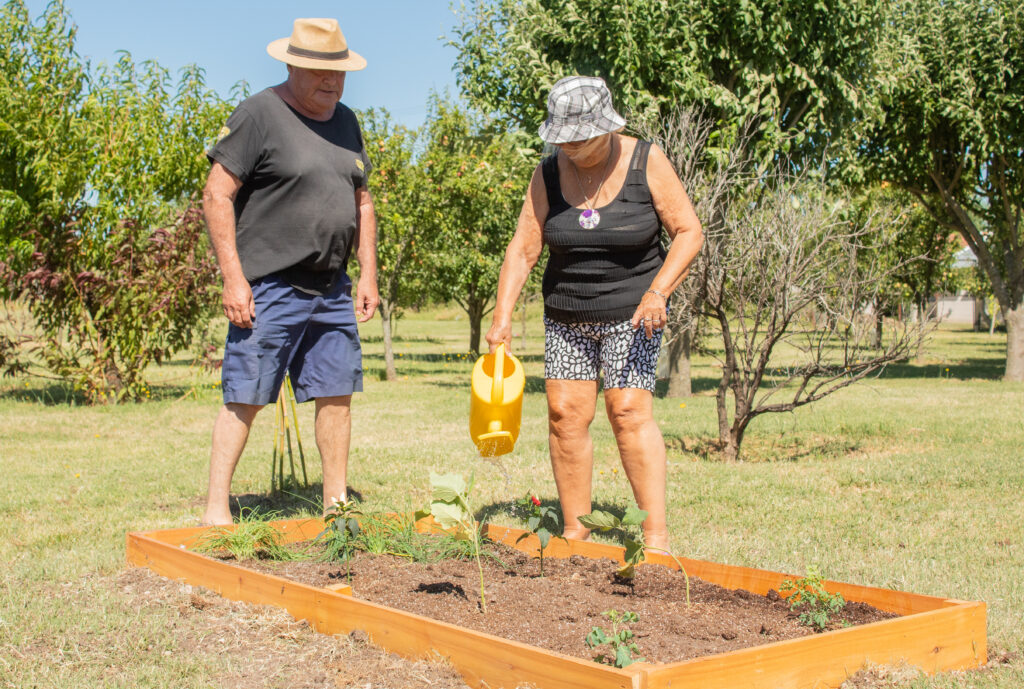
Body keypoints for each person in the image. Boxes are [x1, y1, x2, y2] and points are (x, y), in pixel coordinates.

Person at [484, 76, 703, 551]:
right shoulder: (547, 173)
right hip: (566, 315)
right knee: (564, 415)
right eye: (562, 138)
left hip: (635, 311)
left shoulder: (647, 160)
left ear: (607, 127)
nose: (571, 147)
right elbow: (523, 250)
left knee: (627, 411)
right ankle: (574, 532)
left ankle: (655, 538)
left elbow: (689, 232)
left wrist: (658, 292)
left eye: (580, 137)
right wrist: (502, 315)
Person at [201, 18, 379, 525]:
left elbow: (361, 201)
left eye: (340, 73)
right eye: (322, 73)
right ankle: (217, 508)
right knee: (246, 394)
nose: (334, 83)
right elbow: (217, 195)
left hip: (331, 286)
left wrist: (367, 273)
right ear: (293, 65)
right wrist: (233, 279)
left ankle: (336, 504)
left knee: (337, 393)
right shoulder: (259, 114)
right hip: (269, 286)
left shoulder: (346, 121)